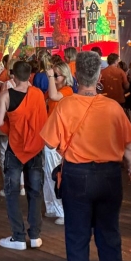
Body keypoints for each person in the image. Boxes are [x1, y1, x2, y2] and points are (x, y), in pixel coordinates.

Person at [41, 51, 131, 261]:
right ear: (98, 76)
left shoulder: (65, 105)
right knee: (110, 240)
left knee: (77, 241)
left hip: (76, 176)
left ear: (75, 75)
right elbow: (127, 145)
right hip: (109, 177)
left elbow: (49, 142)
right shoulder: (113, 107)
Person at [0, 61, 48, 251]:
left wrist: (12, 130)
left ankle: (18, 237)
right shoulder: (38, 94)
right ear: (30, 76)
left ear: (13, 76)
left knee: (12, 193)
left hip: (15, 148)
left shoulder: (7, 96)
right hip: (35, 148)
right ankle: (35, 235)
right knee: (35, 192)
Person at [42, 60, 75, 225]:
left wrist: (49, 77)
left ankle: (63, 210)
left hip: (58, 138)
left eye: (57, 75)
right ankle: (52, 207)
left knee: (56, 174)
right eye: (53, 74)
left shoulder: (67, 91)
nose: (53, 77)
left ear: (65, 76)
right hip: (50, 135)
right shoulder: (57, 89)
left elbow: (54, 97)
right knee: (48, 173)